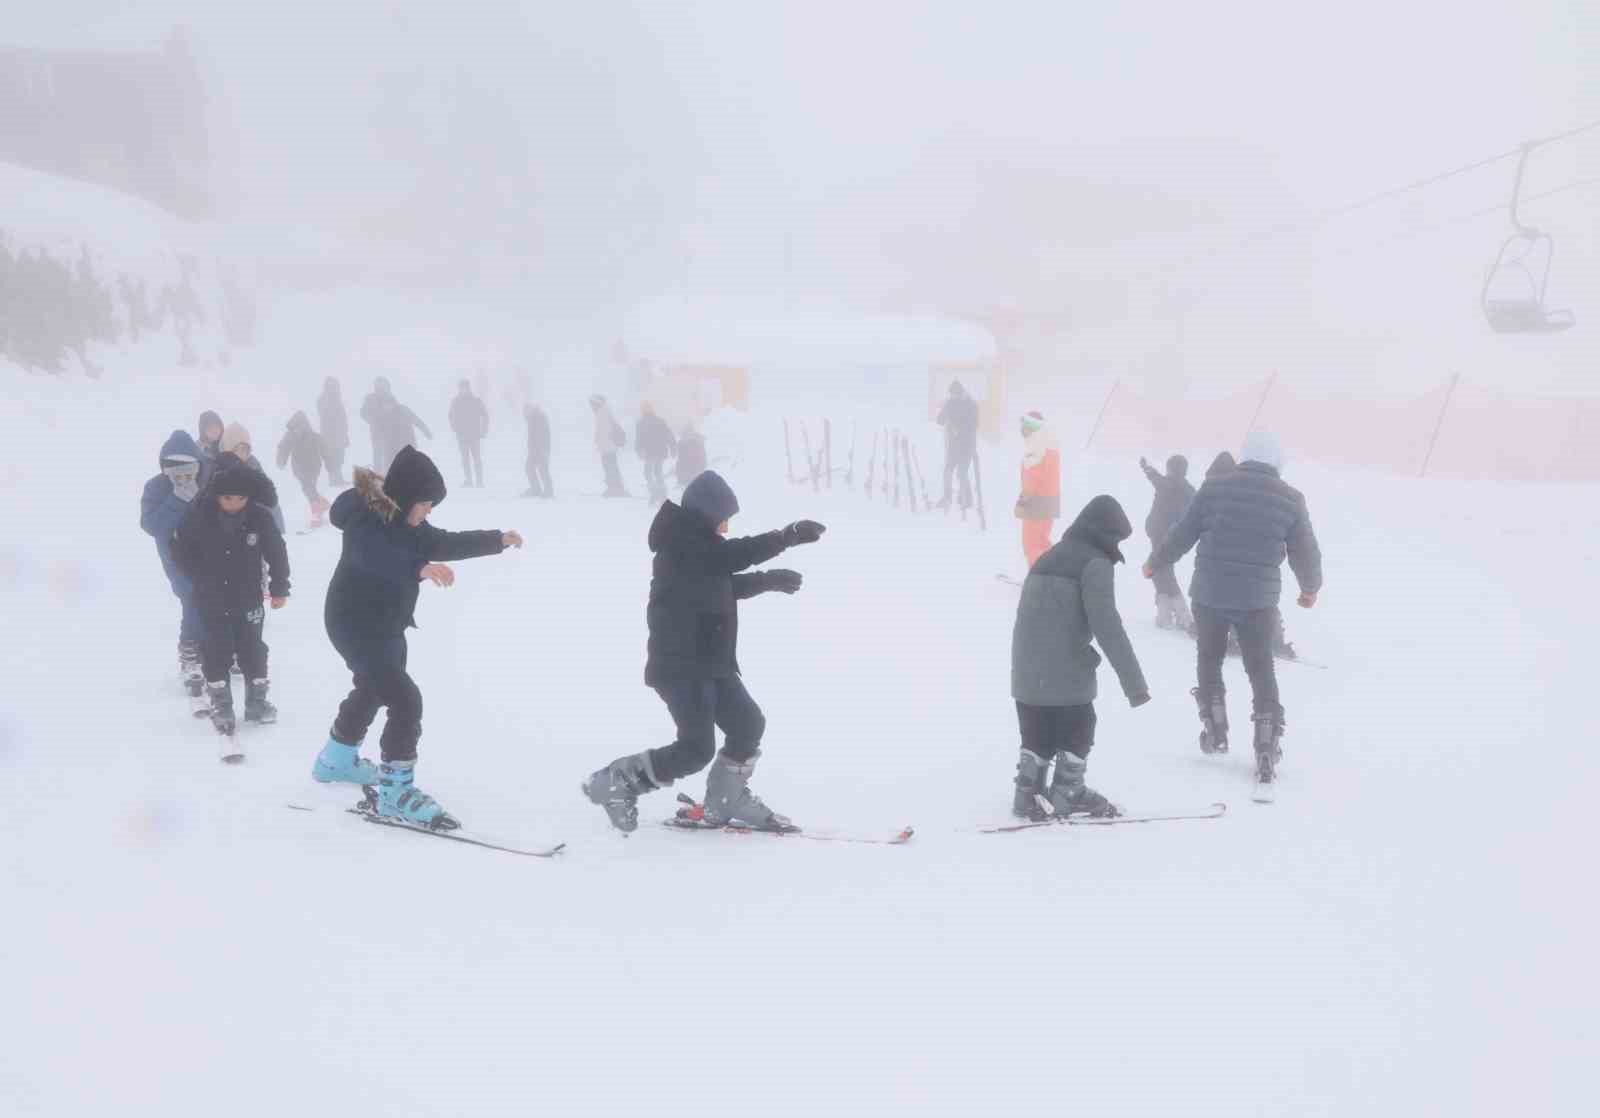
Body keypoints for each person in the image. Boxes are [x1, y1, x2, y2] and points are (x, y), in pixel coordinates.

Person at [581, 471, 825, 833]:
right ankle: (614, 783)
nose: (726, 528)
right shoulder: (682, 545)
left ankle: (727, 799)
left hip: (711, 661)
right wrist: (785, 537)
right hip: (681, 666)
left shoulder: (700, 547)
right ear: (707, 514)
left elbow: (721, 582)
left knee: (747, 724)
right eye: (724, 518)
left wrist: (769, 580)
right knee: (696, 748)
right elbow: (729, 558)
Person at [310, 446, 524, 827]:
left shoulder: (412, 526)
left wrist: (497, 540)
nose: (428, 512)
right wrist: (419, 568)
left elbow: (444, 543)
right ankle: (395, 792)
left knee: (375, 688)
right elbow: (374, 556)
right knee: (405, 700)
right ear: (405, 498)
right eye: (425, 504)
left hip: (387, 626)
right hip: (354, 624)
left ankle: (336, 759)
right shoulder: (366, 523)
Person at [1144, 431, 1322, 793]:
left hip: (1210, 593)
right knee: (1260, 668)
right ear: (1277, 462)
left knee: (1209, 658)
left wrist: (1155, 561)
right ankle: (1267, 745)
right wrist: (1309, 589)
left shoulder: (1214, 488)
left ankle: (1216, 728)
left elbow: (1183, 532)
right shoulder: (1290, 499)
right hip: (1257, 600)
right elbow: (1306, 551)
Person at [1011, 495, 1150, 820]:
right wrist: (1135, 685)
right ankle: (1068, 793)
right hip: (1065, 671)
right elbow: (1107, 626)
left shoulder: (1046, 558)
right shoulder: (1094, 563)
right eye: (1116, 538)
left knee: (1038, 732)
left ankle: (1027, 792)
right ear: (1106, 533)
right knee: (1080, 728)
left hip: (1025, 672)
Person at [172, 462, 290, 737]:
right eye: (227, 498)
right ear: (216, 496)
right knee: (216, 648)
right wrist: (198, 576)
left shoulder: (260, 517)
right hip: (210, 598)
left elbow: (276, 551)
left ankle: (257, 702)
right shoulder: (199, 515)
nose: (234, 504)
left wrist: (280, 587)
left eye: (240, 499)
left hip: (248, 596)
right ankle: (221, 704)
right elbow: (178, 549)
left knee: (253, 648)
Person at [140, 430, 207, 705]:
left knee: (213, 597)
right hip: (175, 555)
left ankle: (217, 646)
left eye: (187, 465)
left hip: (207, 554)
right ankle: (190, 653)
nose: (180, 472)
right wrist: (178, 498)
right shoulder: (156, 487)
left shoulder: (209, 483)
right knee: (190, 596)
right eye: (173, 465)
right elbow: (152, 526)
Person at [1139, 454, 1197, 631]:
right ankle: (1164, 616)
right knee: (1160, 571)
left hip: (1159, 534)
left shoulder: (1166, 483)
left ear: (1171, 469)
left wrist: (1146, 467)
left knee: (1160, 571)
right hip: (1174, 537)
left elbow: (1154, 477)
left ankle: (1184, 617)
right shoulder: (1190, 490)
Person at [219, 423, 286, 535]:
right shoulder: (219, 469)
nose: (242, 454)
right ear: (228, 449)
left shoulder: (253, 466)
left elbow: (270, 501)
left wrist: (279, 532)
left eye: (245, 450)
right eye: (238, 449)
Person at [1015, 410, 1060, 568]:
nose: (1022, 432)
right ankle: (1054, 574)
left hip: (1035, 502)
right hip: (1050, 501)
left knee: (1031, 545)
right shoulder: (1050, 444)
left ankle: (1038, 581)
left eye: (1024, 428)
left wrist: (1022, 503)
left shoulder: (1035, 444)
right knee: (1042, 542)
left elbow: (1032, 478)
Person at [276, 411, 330, 528]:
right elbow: (283, 447)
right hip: (299, 468)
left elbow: (324, 448)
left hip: (313, 467)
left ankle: (317, 515)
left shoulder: (312, 435)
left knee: (309, 488)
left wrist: (329, 463)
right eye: (296, 427)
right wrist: (281, 460)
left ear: (304, 424)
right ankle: (322, 504)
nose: (298, 430)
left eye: (300, 426)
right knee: (308, 488)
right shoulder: (290, 435)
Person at [936, 380, 980, 511]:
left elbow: (973, 425)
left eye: (954, 395)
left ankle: (966, 499)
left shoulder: (970, 404)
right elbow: (940, 420)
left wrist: (959, 429)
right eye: (951, 395)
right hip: (953, 445)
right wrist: (944, 411)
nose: (952, 397)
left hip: (967, 445)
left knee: (962, 473)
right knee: (948, 471)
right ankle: (947, 497)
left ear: (960, 393)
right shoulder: (950, 402)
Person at [448, 379, 489, 488]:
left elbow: (485, 415)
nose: (463, 390)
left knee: (477, 459)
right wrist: (454, 428)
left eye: (465, 387)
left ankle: (479, 481)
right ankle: (469, 480)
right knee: (465, 459)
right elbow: (450, 416)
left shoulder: (476, 400)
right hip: (461, 435)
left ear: (468, 388)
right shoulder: (455, 402)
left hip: (475, 435)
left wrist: (484, 430)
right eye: (461, 388)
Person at [635, 401, 677, 503]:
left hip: (650, 452)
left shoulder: (641, 423)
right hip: (660, 451)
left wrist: (639, 450)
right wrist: (672, 447)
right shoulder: (660, 421)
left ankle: (655, 494)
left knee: (648, 473)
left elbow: (639, 439)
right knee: (657, 472)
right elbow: (669, 434)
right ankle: (661, 494)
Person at [589, 394, 628, 496]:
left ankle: (615, 488)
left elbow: (604, 432)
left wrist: (598, 441)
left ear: (597, 403)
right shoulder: (603, 412)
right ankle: (615, 487)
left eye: (592, 404)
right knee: (611, 467)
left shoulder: (603, 413)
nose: (591, 407)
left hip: (608, 446)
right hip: (607, 446)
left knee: (610, 467)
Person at [317, 377, 350, 485]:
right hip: (329, 434)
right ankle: (334, 480)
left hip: (340, 433)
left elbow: (342, 417)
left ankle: (338, 478)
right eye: (332, 385)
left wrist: (345, 434)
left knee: (339, 456)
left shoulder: (337, 399)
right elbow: (327, 415)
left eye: (335, 385)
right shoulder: (323, 399)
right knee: (332, 457)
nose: (334, 387)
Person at [360, 377, 395, 471]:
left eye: (384, 385)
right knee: (378, 454)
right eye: (380, 385)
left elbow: (397, 412)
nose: (382, 388)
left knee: (389, 453)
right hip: (377, 431)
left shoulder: (391, 398)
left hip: (390, 431)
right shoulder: (370, 398)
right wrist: (372, 419)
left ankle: (389, 474)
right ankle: (379, 474)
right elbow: (363, 413)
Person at [523, 403, 553, 498]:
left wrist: (541, 449)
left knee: (543, 469)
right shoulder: (532, 418)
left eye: (525, 412)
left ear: (530, 410)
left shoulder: (539, 418)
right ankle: (536, 489)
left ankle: (549, 491)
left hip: (541, 448)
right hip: (535, 449)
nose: (524, 415)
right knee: (529, 468)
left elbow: (541, 435)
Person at [676, 424, 707, 489]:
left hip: (689, 470)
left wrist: (679, 474)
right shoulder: (699, 441)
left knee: (690, 488)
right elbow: (703, 455)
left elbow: (680, 459)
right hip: (696, 469)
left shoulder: (682, 443)